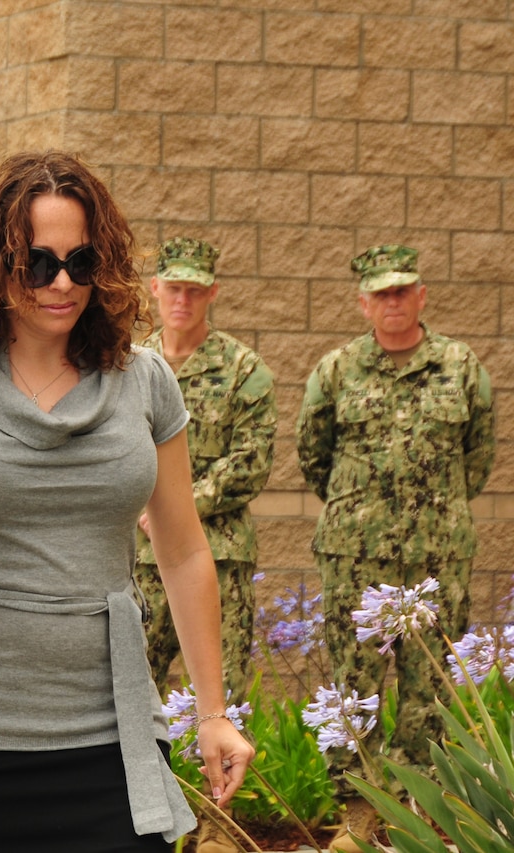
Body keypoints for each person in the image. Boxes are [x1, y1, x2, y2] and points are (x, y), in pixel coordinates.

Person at [0, 151, 255, 852]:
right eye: (38, 264)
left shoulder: (144, 380)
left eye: (81, 262)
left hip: (113, 731)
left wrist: (212, 711)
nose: (62, 284)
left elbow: (183, 551)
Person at [296, 243, 496, 852]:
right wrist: (364, 514)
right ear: (363, 302)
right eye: (381, 293)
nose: (393, 302)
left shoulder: (462, 367)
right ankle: (357, 818)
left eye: (403, 290)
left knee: (430, 688)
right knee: (353, 684)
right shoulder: (335, 371)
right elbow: (314, 455)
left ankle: (426, 818)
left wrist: (432, 513)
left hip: (439, 559)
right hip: (355, 557)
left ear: (422, 296)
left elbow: (478, 457)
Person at [135, 237, 275, 853]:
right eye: (174, 287)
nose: (184, 298)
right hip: (135, 561)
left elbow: (254, 460)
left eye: (196, 288)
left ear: (212, 292)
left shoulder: (244, 369)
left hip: (215, 555)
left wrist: (173, 505)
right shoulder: (130, 365)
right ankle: (144, 816)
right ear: (155, 290)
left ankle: (219, 830)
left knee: (223, 695)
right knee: (132, 688)